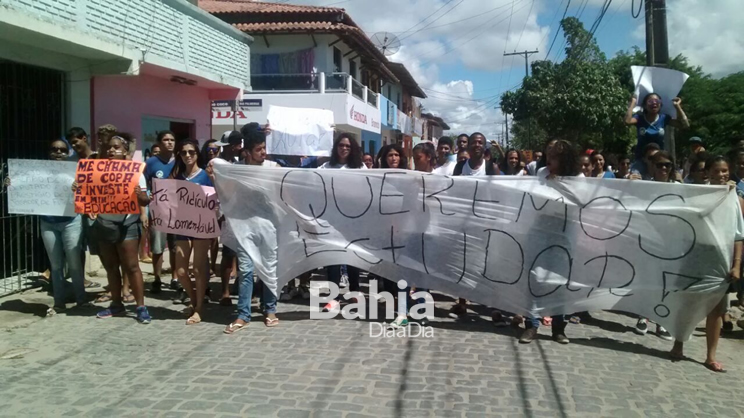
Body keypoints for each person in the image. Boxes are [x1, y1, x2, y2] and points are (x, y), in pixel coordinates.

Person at [670, 155, 743, 372]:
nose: (721, 175)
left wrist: (737, 264)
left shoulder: (736, 201)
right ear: (707, 173)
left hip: (720, 259)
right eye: (717, 171)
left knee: (717, 309)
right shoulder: (698, 195)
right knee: (687, 304)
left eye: (725, 171)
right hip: (696, 255)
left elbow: (739, 236)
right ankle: (678, 344)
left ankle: (711, 356)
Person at [10, 139, 88, 315]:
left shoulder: (75, 171)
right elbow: (21, 185)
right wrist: (10, 183)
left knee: (74, 262)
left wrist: (79, 187)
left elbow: (88, 192)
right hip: (48, 222)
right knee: (55, 265)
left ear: (68, 153)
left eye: (62, 149)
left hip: (71, 221)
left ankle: (81, 300)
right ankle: (59, 302)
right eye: (54, 149)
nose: (58, 152)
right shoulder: (37, 172)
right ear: (49, 152)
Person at [520, 139, 582, 345]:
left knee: (560, 282)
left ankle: (558, 328)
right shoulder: (541, 174)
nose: (549, 160)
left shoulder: (579, 178)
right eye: (549, 155)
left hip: (564, 233)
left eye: (554, 156)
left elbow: (578, 203)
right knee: (534, 278)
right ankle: (531, 326)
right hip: (540, 229)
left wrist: (560, 183)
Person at [85, 135, 151, 323]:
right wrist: (80, 193)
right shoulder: (95, 172)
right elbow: (88, 195)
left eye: (116, 147)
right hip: (104, 224)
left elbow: (146, 200)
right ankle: (116, 304)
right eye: (108, 148)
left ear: (125, 152)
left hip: (127, 225)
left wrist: (140, 196)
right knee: (111, 267)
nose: (111, 151)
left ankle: (140, 306)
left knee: (131, 266)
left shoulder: (135, 173)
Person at [222, 126, 281, 333]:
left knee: (269, 269)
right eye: (258, 149)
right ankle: (243, 314)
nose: (263, 152)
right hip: (244, 228)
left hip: (268, 228)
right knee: (246, 271)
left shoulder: (273, 167)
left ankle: (270, 309)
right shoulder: (236, 170)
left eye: (264, 148)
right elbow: (225, 191)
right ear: (247, 152)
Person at [388, 141, 437, 328]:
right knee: (403, 272)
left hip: (430, 233)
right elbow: (404, 204)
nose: (416, 163)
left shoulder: (440, 178)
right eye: (414, 159)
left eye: (419, 158)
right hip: (410, 231)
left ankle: (421, 309)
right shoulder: (410, 178)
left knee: (423, 274)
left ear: (429, 158)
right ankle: (402, 312)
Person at [167, 139, 214, 325]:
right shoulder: (177, 178)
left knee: (198, 268)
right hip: (182, 224)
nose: (187, 155)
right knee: (180, 270)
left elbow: (216, 200)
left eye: (191, 152)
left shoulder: (205, 175)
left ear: (197, 154)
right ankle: (195, 300)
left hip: (202, 224)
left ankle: (199, 308)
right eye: (184, 152)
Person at [318, 134, 365, 313]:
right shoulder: (326, 167)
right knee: (333, 259)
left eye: (347, 146)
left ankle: (354, 291)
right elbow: (309, 179)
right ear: (335, 147)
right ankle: (334, 297)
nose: (344, 148)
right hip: (332, 220)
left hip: (354, 220)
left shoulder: (360, 167)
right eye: (341, 145)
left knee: (353, 257)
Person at [143, 131, 177, 294]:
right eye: (166, 140)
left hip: (178, 211)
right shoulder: (151, 163)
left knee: (176, 247)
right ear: (159, 142)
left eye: (172, 140)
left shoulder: (181, 161)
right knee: (157, 248)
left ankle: (175, 278)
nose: (169, 143)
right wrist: (146, 202)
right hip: (158, 210)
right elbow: (144, 185)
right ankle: (157, 278)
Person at [624, 93, 689, 166]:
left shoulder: (664, 118)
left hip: (659, 161)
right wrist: (633, 103)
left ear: (660, 104)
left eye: (657, 101)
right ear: (645, 105)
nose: (654, 103)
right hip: (641, 160)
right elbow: (627, 121)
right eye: (650, 101)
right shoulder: (639, 118)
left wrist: (677, 106)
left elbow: (685, 125)